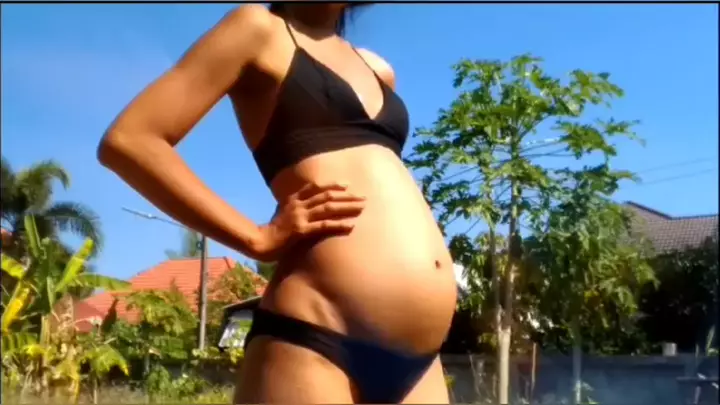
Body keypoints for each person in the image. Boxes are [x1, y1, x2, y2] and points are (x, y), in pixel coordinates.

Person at [97, 3, 457, 404]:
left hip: (420, 359)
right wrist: (256, 237)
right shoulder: (259, 30)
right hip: (316, 336)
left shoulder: (377, 70)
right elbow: (130, 140)